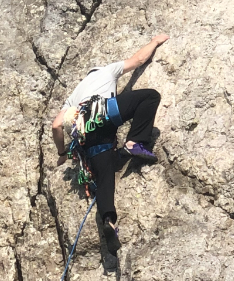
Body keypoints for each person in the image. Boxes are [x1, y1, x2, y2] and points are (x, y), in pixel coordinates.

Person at [51, 35, 169, 254]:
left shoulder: (73, 95)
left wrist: (62, 152)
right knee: (150, 97)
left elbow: (57, 125)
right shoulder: (106, 71)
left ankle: (109, 222)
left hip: (87, 138)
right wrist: (154, 42)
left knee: (105, 176)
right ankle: (135, 143)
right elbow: (137, 61)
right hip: (104, 113)